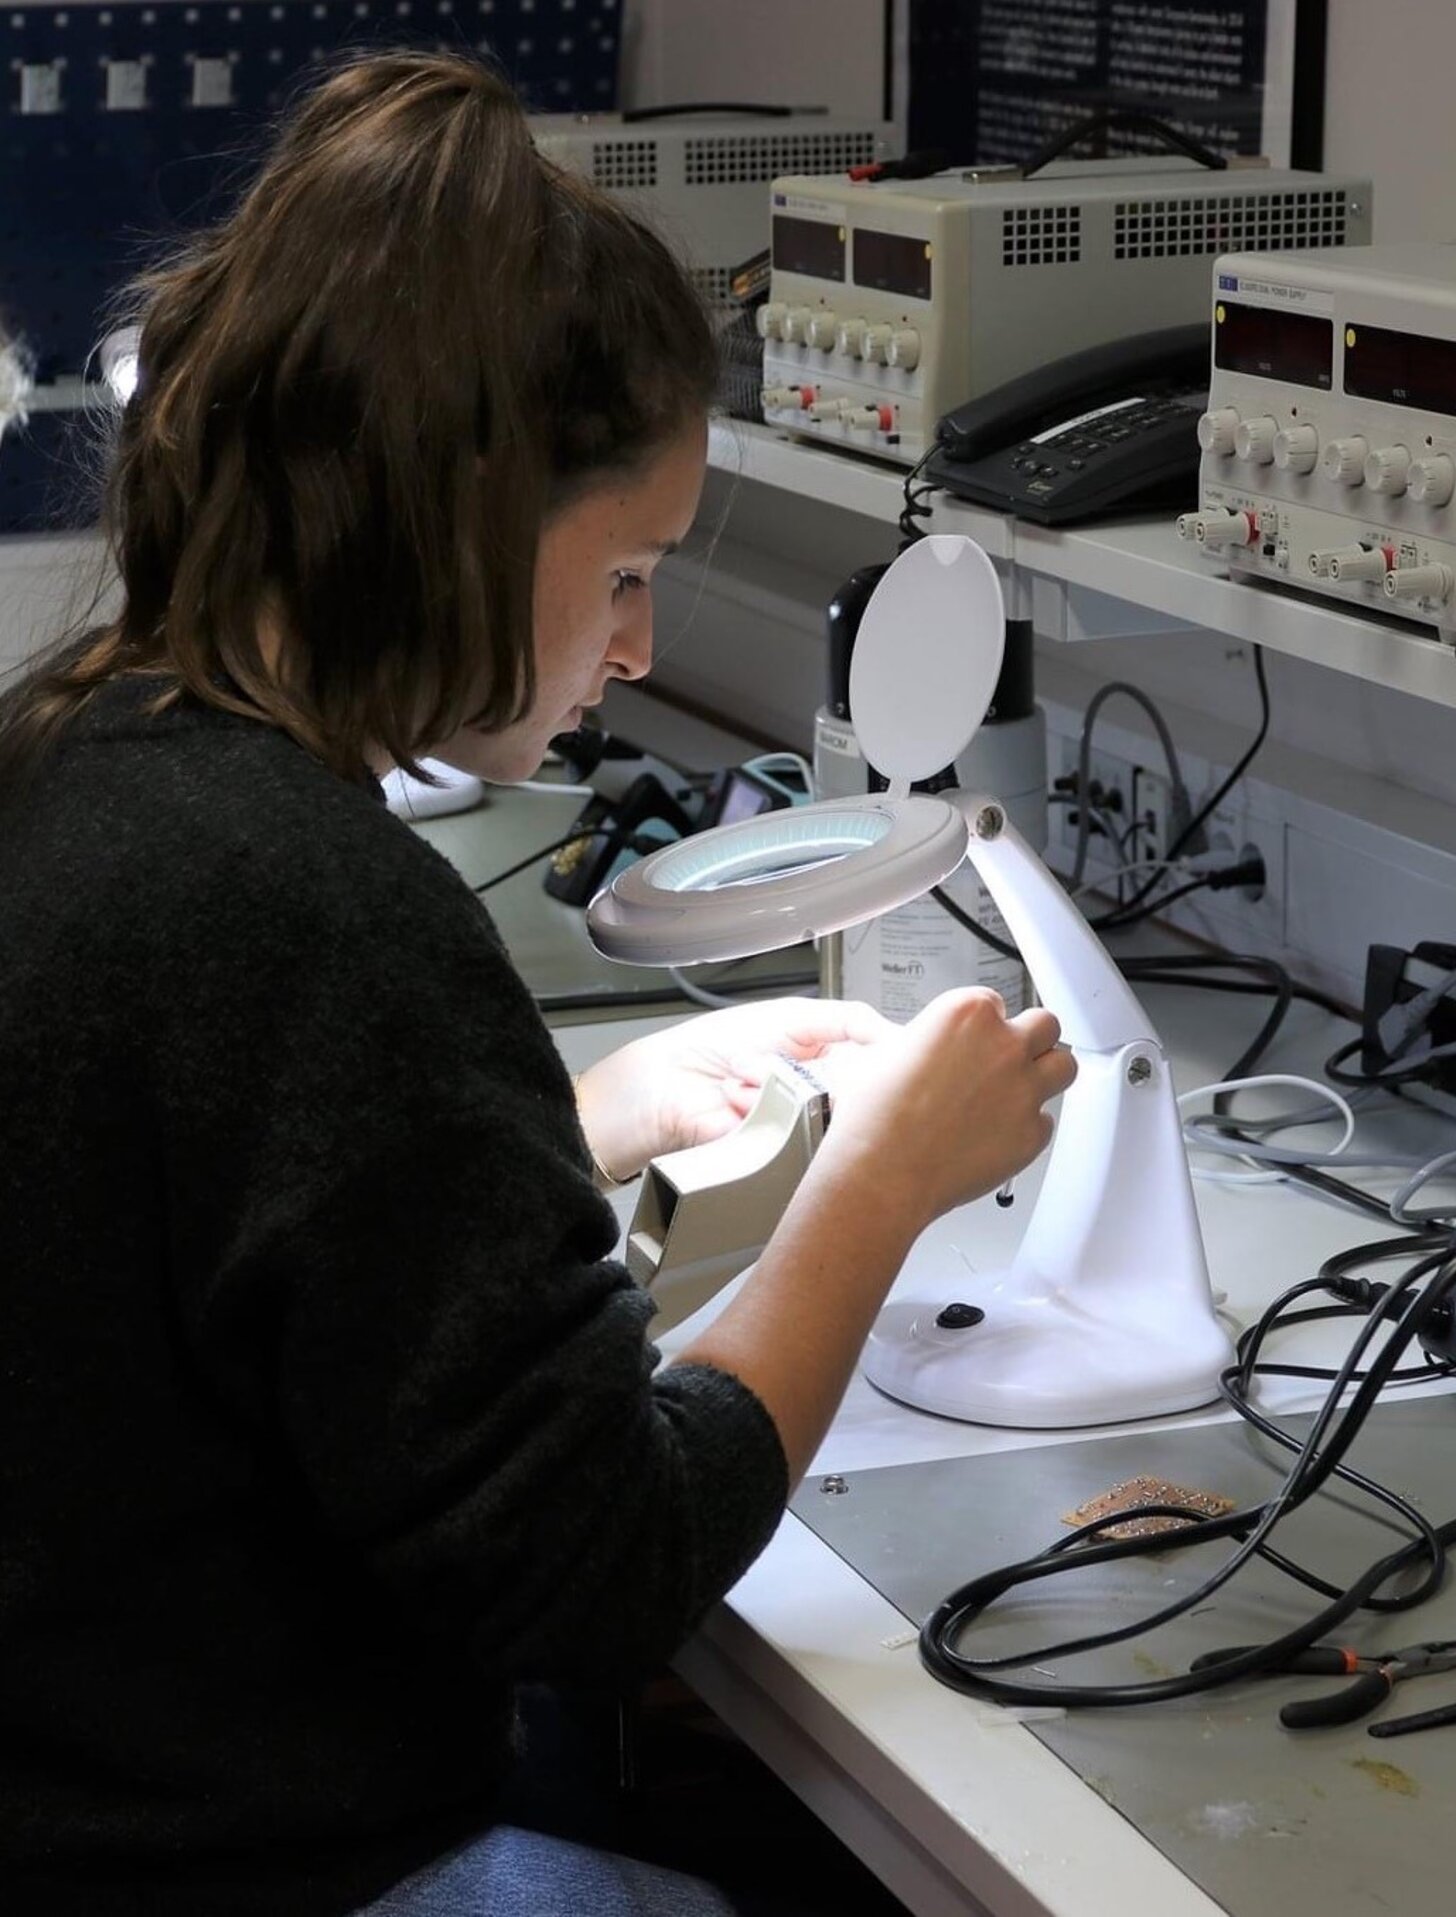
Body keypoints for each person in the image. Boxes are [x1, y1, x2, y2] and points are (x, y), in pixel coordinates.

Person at [0, 50, 1076, 1917]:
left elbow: (213, 1222)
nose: (641, 646)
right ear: (467, 510)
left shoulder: (79, 745)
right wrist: (873, 1192)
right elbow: (608, 1567)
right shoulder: (308, 904)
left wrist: (577, 1120)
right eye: (631, 567)